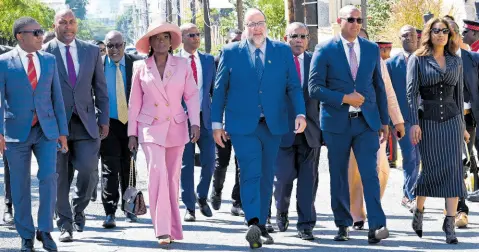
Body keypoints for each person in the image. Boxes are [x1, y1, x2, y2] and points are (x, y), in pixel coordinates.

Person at [212, 8, 306, 249]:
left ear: (266, 26)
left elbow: (293, 87)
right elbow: (220, 89)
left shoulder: (282, 51)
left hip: (273, 124)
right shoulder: (231, 52)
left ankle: (262, 223)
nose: (257, 28)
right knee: (250, 171)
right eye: (252, 24)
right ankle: (252, 219)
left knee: (267, 175)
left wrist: (300, 113)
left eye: (260, 23)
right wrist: (216, 124)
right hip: (243, 125)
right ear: (245, 27)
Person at [308, 5, 389, 244]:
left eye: (359, 20)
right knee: (339, 176)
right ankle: (342, 224)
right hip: (337, 124)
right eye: (351, 19)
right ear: (339, 21)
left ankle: (377, 225)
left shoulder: (371, 49)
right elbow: (314, 88)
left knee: (370, 175)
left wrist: (384, 120)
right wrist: (344, 98)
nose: (355, 24)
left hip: (366, 122)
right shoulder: (324, 49)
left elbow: (379, 87)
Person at [128, 21, 200, 245]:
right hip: (149, 128)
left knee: (172, 178)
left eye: (165, 38)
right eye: (157, 38)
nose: (161, 42)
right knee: (157, 174)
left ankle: (173, 229)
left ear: (171, 43)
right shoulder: (140, 67)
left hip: (177, 126)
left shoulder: (182, 65)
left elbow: (192, 96)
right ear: (149, 42)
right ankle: (162, 230)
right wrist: (132, 133)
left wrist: (195, 123)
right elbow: (134, 103)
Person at [0, 17, 69, 252]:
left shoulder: (49, 61)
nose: (42, 36)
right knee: (20, 185)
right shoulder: (3, 63)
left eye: (41, 32)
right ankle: (26, 235)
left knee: (49, 178)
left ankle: (45, 230)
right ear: (21, 36)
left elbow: (57, 99)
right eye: (36, 32)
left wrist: (62, 132)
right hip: (14, 134)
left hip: (46, 130)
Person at [44, 9, 109, 242]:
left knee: (89, 169)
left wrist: (104, 119)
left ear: (77, 25)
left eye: (72, 22)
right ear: (55, 26)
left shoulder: (91, 51)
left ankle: (78, 208)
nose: (68, 26)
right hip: (55, 126)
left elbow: (100, 88)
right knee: (60, 176)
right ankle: (65, 223)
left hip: (86, 122)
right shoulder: (44, 52)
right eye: (63, 22)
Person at [407, 17, 468, 244]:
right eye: (436, 31)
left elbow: (459, 96)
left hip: (452, 122)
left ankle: (449, 224)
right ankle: (419, 211)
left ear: (450, 35)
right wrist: (413, 122)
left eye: (444, 31)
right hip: (428, 122)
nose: (440, 34)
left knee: (453, 171)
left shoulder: (456, 61)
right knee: (430, 170)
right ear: (429, 34)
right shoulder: (418, 59)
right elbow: (411, 94)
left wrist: (462, 126)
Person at [348, 30, 406, 231]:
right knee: (352, 171)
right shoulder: (341, 58)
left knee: (379, 169)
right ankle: (357, 213)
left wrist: (397, 121)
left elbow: (388, 92)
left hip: (373, 123)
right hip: (347, 124)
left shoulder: (375, 58)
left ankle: (371, 205)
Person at [272, 22, 321, 241]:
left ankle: (306, 224)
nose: (299, 40)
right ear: (286, 38)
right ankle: (281, 210)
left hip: (310, 131)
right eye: (294, 36)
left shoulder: (316, 62)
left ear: (308, 39)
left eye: (303, 36)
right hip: (283, 130)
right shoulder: (276, 62)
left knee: (308, 180)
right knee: (283, 177)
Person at [100, 31, 143, 228]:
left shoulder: (136, 64)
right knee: (110, 168)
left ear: (124, 45)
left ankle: (129, 208)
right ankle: (109, 212)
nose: (114, 50)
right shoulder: (98, 65)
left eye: (118, 45)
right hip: (107, 123)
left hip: (132, 123)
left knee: (129, 167)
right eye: (110, 46)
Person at [177, 23, 216, 222]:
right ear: (182, 38)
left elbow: (214, 92)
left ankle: (202, 196)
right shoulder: (174, 61)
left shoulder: (208, 60)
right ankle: (189, 206)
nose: (195, 38)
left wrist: (219, 120)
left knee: (210, 161)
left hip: (204, 117)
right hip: (182, 119)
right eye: (191, 35)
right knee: (186, 164)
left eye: (198, 34)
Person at [386, 25, 421, 212]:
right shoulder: (391, 64)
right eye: (405, 35)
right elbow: (387, 94)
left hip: (423, 119)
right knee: (410, 156)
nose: (410, 38)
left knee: (418, 159)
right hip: (402, 120)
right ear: (400, 39)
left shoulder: (426, 59)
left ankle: (408, 194)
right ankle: (410, 196)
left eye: (413, 35)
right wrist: (390, 121)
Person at [210, 28, 244, 217]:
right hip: (222, 123)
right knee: (221, 162)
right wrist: (219, 123)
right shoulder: (217, 62)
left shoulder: (248, 62)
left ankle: (237, 201)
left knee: (241, 163)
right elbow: (213, 95)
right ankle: (216, 190)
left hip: (241, 123)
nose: (236, 43)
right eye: (233, 40)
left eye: (240, 40)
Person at [0, 44, 13, 228]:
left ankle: (9, 207)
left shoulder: (6, 55)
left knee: (11, 166)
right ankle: (9, 207)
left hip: (11, 122)